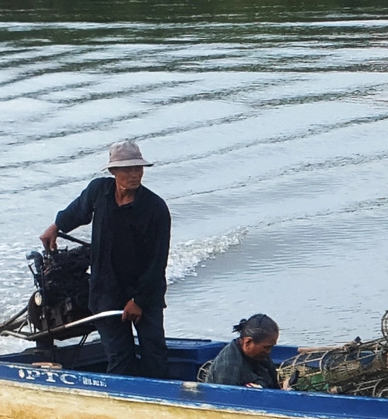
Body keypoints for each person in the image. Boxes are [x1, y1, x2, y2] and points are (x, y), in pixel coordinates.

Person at [42, 140, 171, 377]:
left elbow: (157, 262)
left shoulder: (155, 208)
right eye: (127, 169)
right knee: (119, 358)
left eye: (138, 169)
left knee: (154, 354)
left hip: (145, 293)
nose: (134, 174)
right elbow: (78, 211)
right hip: (106, 292)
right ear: (113, 171)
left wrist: (139, 300)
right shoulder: (98, 191)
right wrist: (57, 226)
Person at [199, 314, 284, 388]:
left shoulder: (260, 355)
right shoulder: (228, 367)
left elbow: (275, 383)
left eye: (271, 347)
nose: (269, 351)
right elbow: (226, 400)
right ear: (248, 342)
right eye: (267, 347)